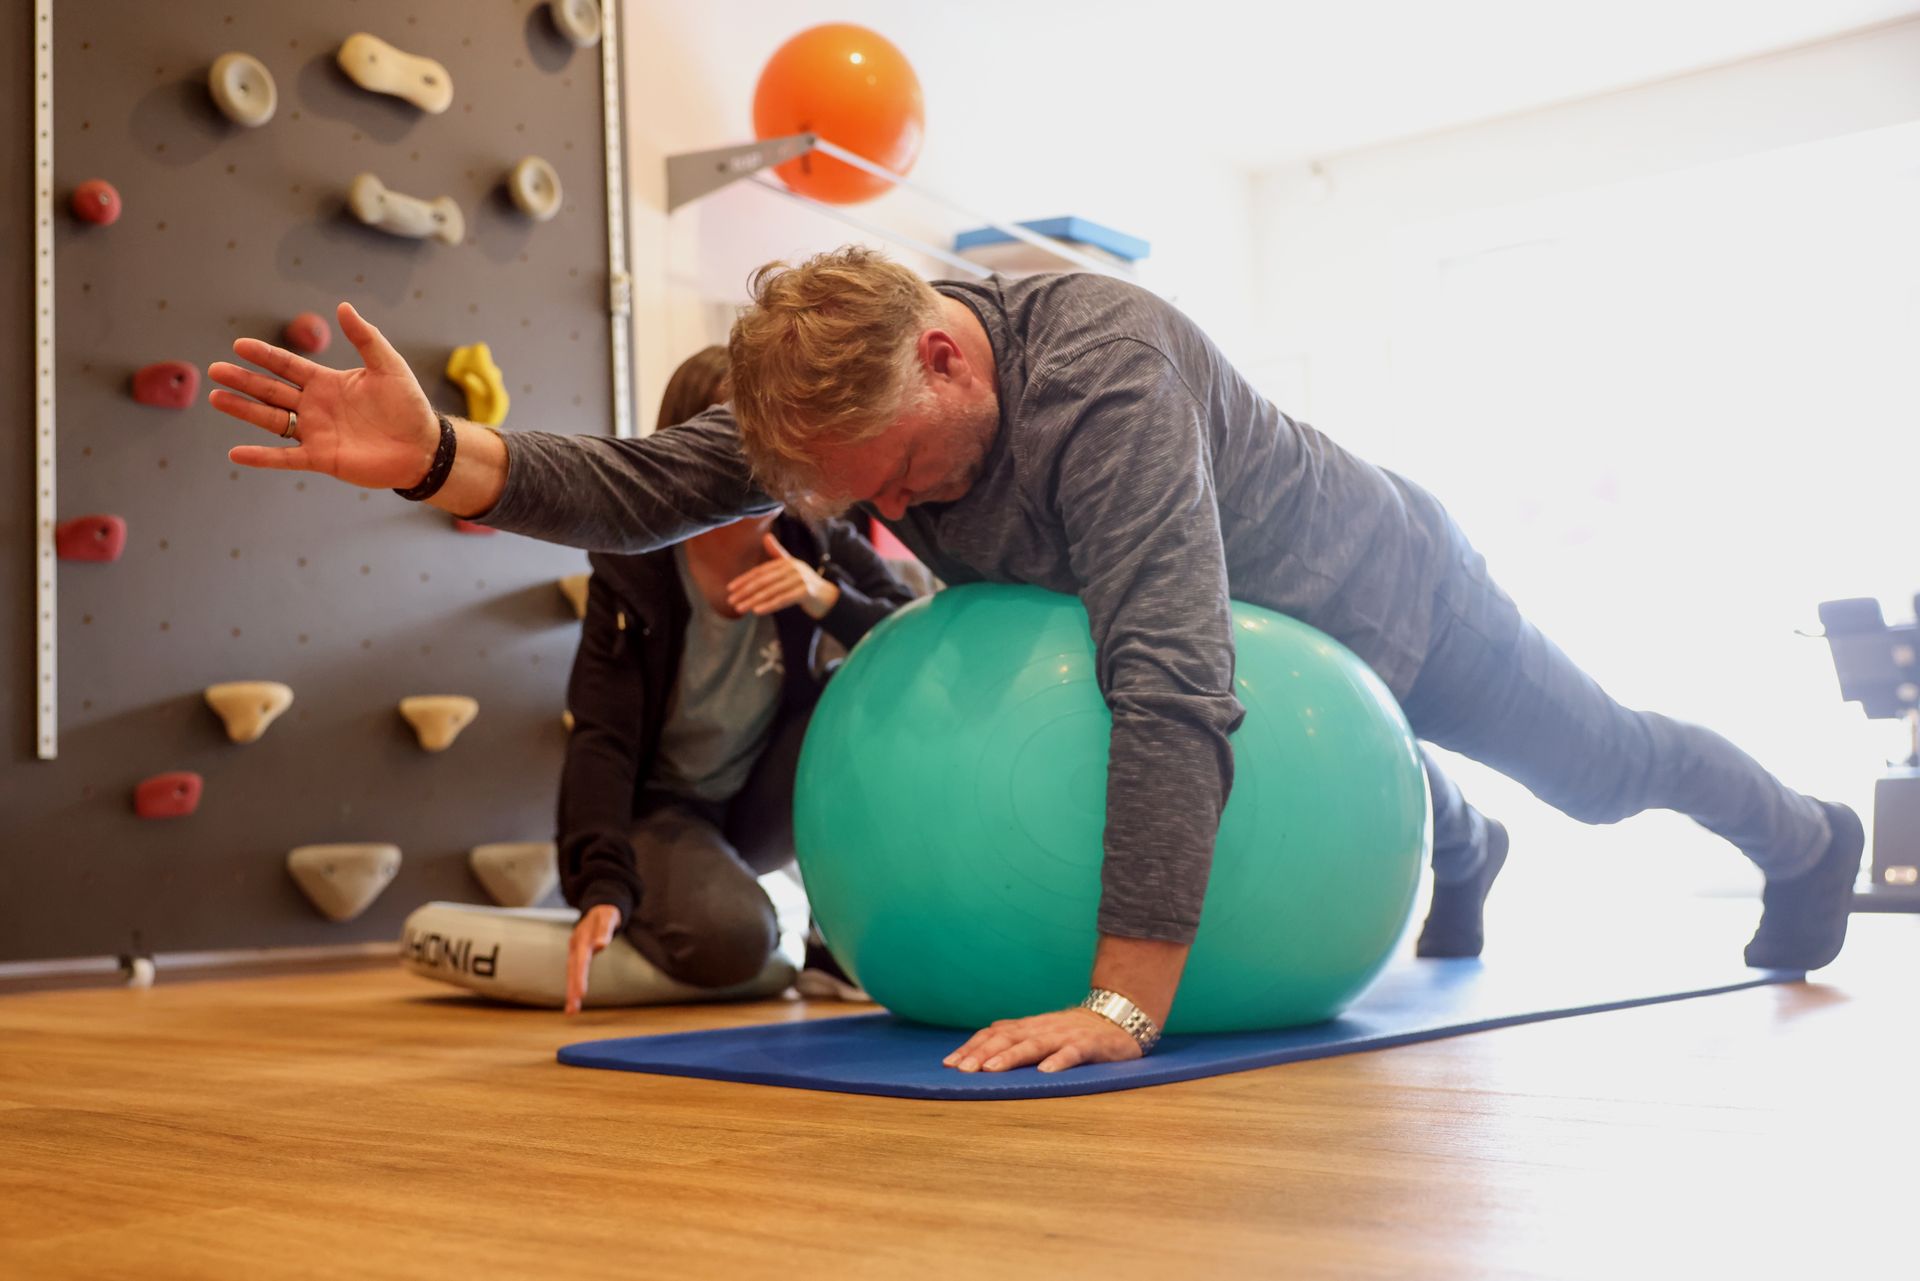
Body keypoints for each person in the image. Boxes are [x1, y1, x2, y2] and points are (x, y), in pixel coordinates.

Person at [206, 250, 1864, 1076]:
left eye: (910, 481)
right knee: (1392, 795)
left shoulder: (1103, 383)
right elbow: (646, 490)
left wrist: (1123, 999)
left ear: (948, 347)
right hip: (1257, 676)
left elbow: (1175, 684)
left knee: (1602, 771)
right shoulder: (846, 397)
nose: (902, 516)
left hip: (1385, 604)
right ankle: (1448, 828)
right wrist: (441, 461)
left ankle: (1804, 835)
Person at [554, 346, 918, 1011]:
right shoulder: (636, 568)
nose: (766, 470)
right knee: (735, 938)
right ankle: (662, 893)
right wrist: (603, 885)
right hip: (666, 811)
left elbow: (912, 634)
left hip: (759, 802)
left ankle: (832, 945)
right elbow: (600, 740)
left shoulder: (818, 538)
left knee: (853, 687)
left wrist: (825, 597)